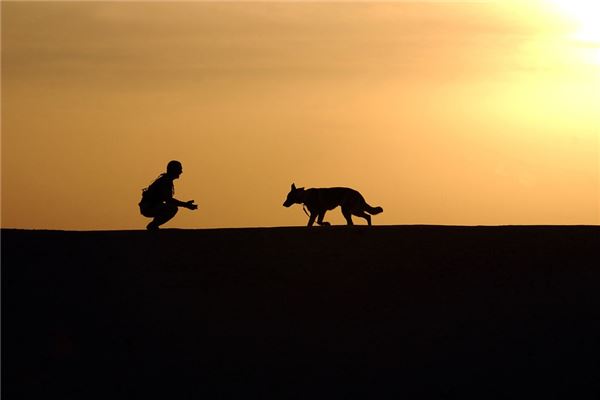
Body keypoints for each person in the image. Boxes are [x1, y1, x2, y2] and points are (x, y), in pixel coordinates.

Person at [139, 160, 198, 230]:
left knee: (170, 207)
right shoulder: (165, 181)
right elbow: (168, 200)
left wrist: (185, 204)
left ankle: (154, 225)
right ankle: (153, 226)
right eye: (180, 169)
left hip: (151, 206)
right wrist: (186, 205)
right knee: (172, 208)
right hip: (148, 207)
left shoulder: (166, 180)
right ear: (174, 170)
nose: (181, 172)